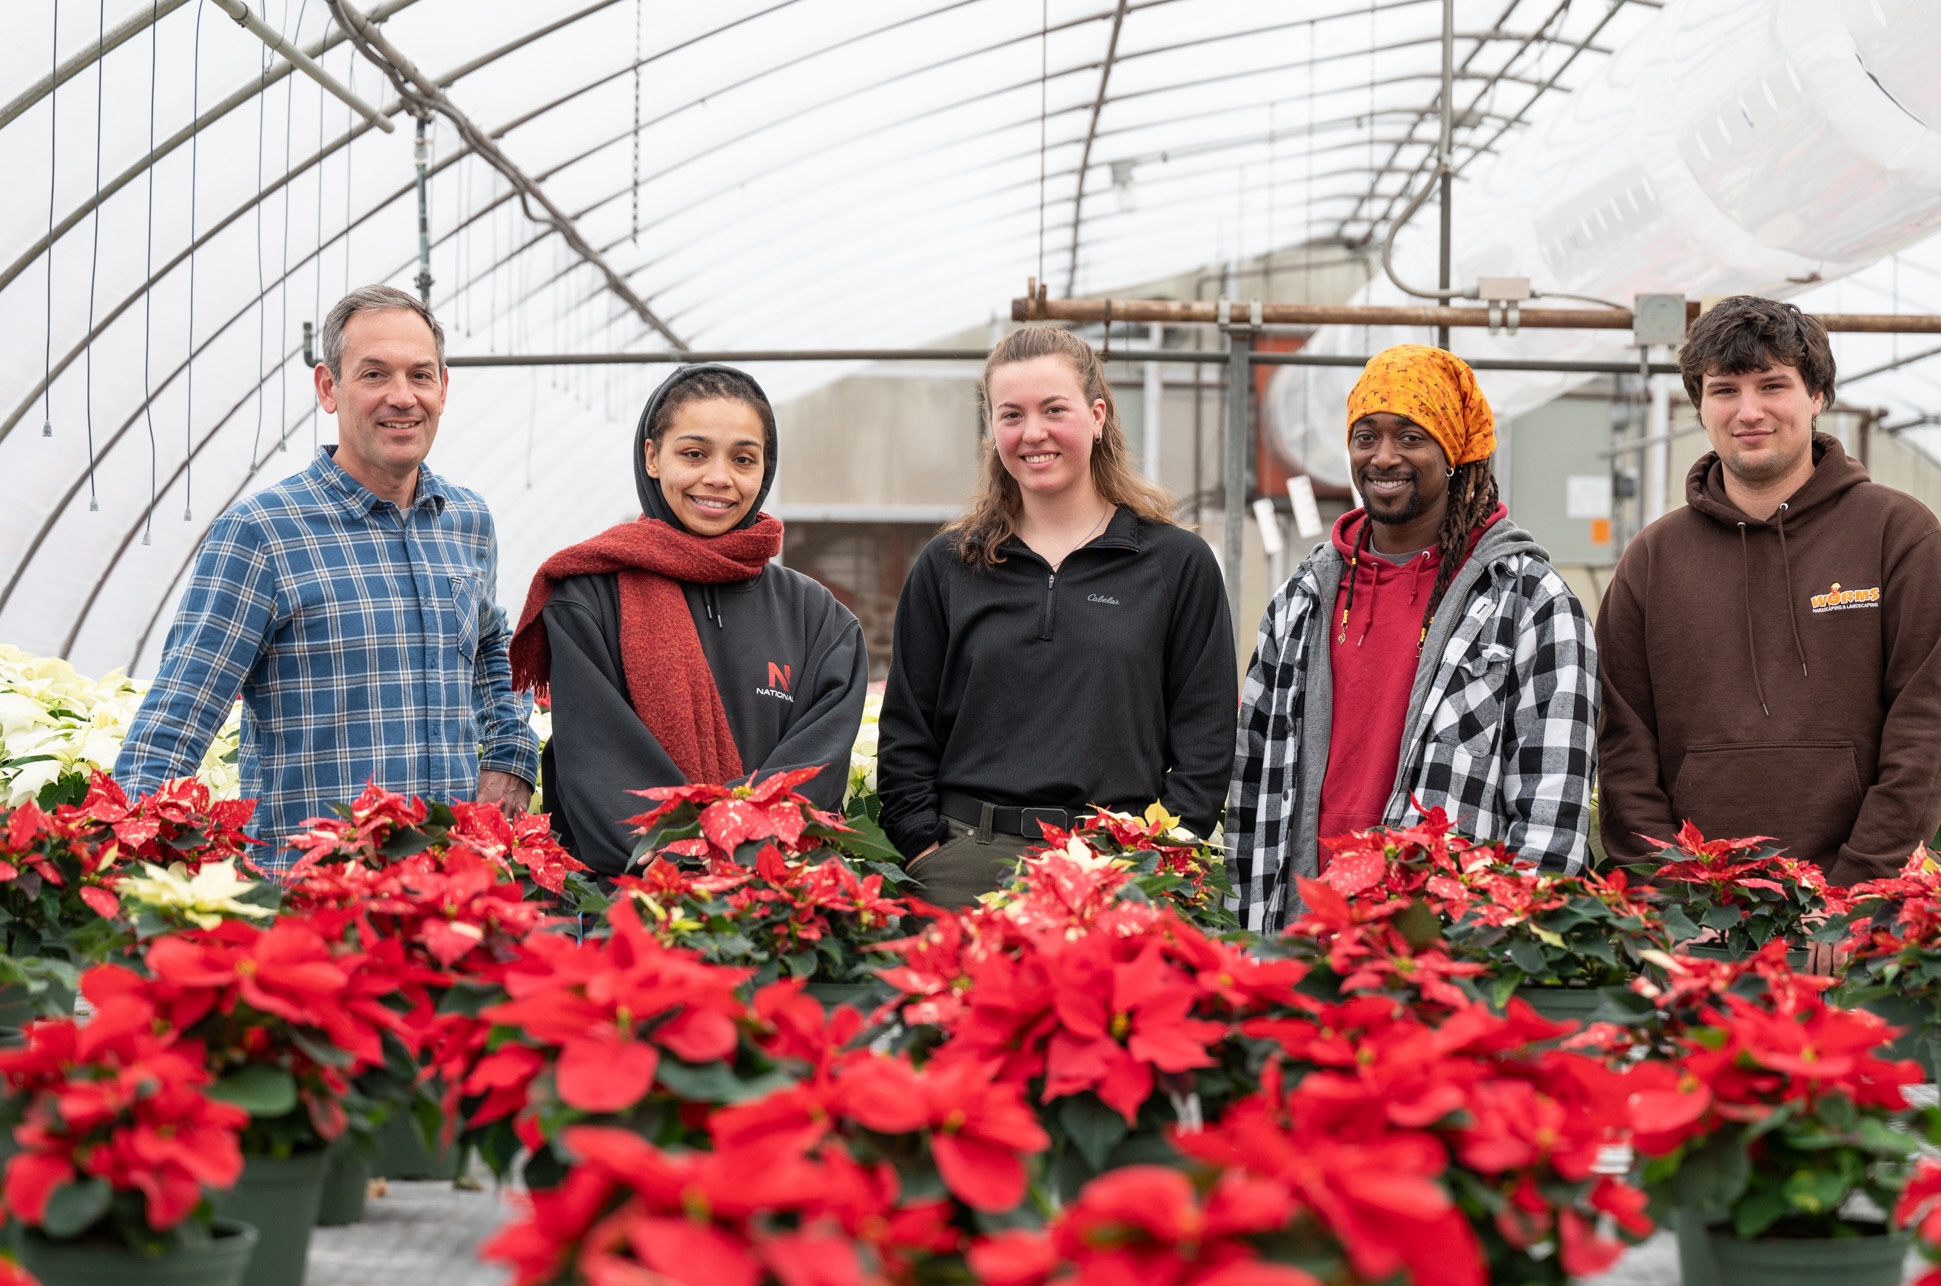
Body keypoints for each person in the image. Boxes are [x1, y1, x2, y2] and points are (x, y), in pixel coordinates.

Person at [114, 285, 537, 869]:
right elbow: (178, 716)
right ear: (328, 388)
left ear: (443, 387)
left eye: (420, 375)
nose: (402, 397)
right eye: (374, 374)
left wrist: (512, 753)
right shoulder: (262, 533)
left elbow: (492, 643)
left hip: (451, 891)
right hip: (317, 901)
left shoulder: (466, 521)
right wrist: (132, 860)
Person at [1595, 295, 1941, 889]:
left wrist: (1858, 886)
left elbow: (1935, 724)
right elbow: (1622, 746)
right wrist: (1677, 895)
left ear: (1817, 394)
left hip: (1854, 904)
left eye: (1772, 385)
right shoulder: (1653, 559)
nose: (1749, 411)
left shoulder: (1898, 534)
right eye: (1724, 390)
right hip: (1697, 913)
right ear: (1700, 406)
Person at [1227, 343, 1600, 936]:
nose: (1383, 456)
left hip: (1444, 941)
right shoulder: (1304, 598)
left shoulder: (1527, 599)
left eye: (1411, 436)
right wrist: (1246, 933)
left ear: (1453, 452)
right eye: (1366, 436)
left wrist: (1506, 944)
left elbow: (1553, 803)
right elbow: (1253, 784)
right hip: (1299, 929)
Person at [878, 325, 1237, 908]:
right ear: (992, 428)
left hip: (1117, 871)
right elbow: (906, 730)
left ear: (1098, 416)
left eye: (1054, 409)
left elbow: (1207, 734)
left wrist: (1158, 856)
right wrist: (925, 849)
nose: (1033, 433)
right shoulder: (949, 565)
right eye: (1011, 414)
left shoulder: (1174, 563)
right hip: (965, 867)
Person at [508, 365, 867, 880]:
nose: (719, 478)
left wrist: (735, 854)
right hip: (632, 901)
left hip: (771, 902)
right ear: (652, 457)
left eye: (743, 459)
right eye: (694, 454)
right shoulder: (587, 598)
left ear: (764, 470)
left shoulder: (820, 621)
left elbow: (814, 772)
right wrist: (684, 854)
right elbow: (597, 761)